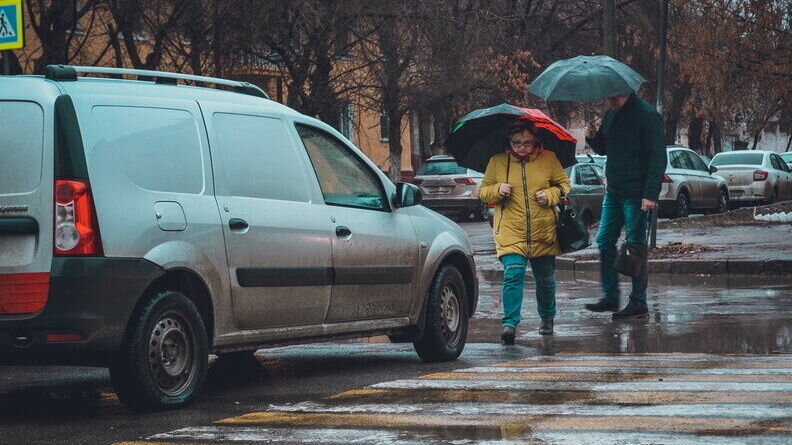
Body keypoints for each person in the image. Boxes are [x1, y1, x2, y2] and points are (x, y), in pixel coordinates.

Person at [479, 120, 571, 344]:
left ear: (535, 141)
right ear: (509, 142)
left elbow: (564, 185)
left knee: (545, 279)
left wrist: (549, 195)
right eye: (517, 142)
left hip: (543, 229)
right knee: (513, 274)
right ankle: (509, 325)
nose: (522, 147)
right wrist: (497, 190)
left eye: (528, 143)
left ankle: (547, 318)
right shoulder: (497, 161)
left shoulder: (548, 158)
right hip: (511, 230)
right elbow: (483, 191)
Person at [584, 93, 667, 319]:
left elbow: (658, 157)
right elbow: (605, 149)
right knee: (604, 241)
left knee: (635, 247)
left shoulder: (647, 115)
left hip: (637, 193)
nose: (610, 100)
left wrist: (650, 194)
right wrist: (592, 137)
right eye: (608, 97)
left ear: (626, 91)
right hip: (614, 192)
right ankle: (611, 296)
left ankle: (638, 302)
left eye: (614, 96)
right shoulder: (611, 115)